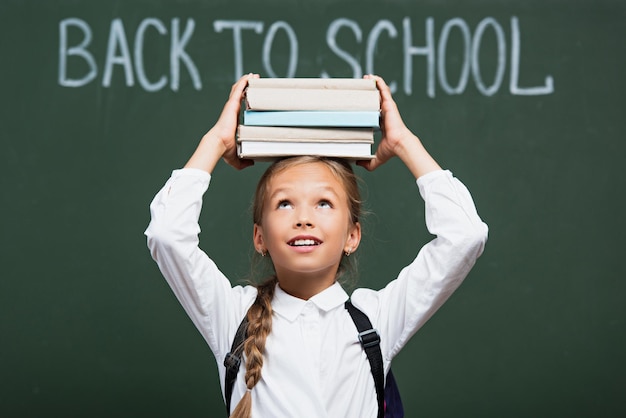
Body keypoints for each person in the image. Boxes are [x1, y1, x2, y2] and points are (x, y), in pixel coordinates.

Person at [145, 73, 488, 418]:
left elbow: (465, 235)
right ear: (259, 237)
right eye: (284, 204)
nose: (303, 218)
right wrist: (216, 141)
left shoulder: (376, 319)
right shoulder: (233, 316)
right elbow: (167, 234)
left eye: (323, 203)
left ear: (352, 236)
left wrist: (404, 143)